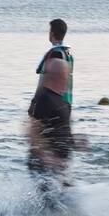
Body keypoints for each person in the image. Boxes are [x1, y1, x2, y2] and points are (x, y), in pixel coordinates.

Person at [27, 58, 85, 207]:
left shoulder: (62, 101)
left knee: (71, 203)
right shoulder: (43, 98)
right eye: (67, 75)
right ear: (60, 76)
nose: (69, 78)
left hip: (59, 165)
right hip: (44, 165)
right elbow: (31, 130)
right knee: (53, 207)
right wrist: (46, 156)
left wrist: (75, 142)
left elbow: (61, 129)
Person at [29, 18, 73, 116]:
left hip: (51, 102)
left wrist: (34, 102)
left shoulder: (54, 53)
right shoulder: (68, 54)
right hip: (67, 103)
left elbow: (43, 81)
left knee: (37, 125)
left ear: (52, 33)